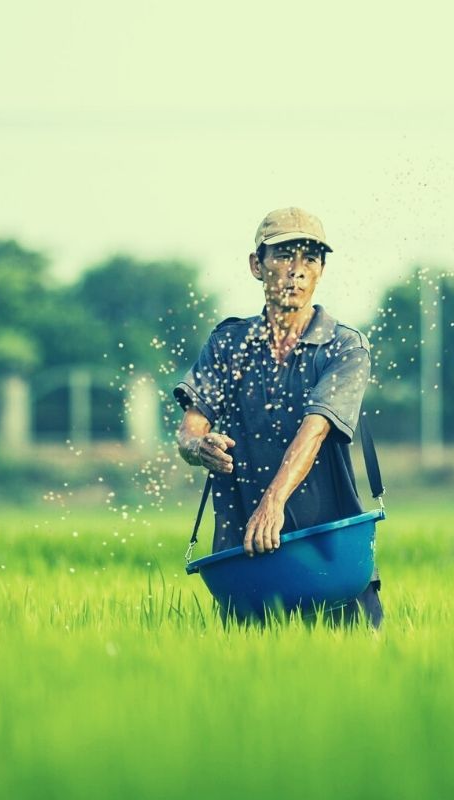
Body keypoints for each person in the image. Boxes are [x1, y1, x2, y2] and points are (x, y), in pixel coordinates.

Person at [173, 207, 382, 627]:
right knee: (253, 682)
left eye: (310, 259)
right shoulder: (229, 344)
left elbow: (314, 430)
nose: (296, 271)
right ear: (257, 265)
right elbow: (190, 428)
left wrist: (273, 503)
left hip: (330, 551)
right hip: (247, 555)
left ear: (322, 270)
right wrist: (200, 446)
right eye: (284, 256)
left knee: (358, 679)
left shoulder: (343, 347)